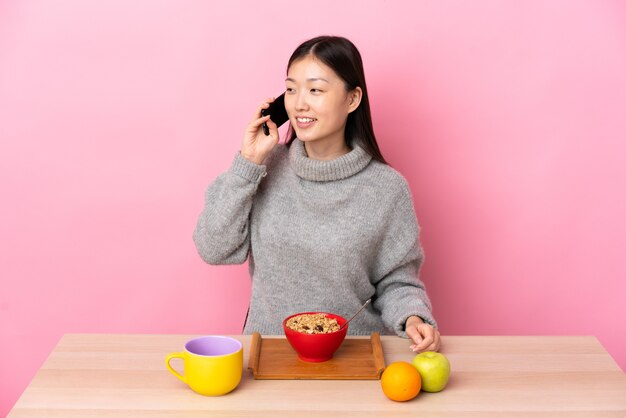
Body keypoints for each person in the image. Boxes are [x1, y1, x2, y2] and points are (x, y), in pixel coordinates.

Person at [193, 35, 441, 352]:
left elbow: (396, 281)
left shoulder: (387, 188)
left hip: (356, 356)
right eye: (292, 89)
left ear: (352, 99)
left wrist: (412, 317)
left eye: (315, 90)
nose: (299, 103)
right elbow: (213, 247)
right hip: (270, 355)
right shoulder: (261, 169)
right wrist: (249, 163)